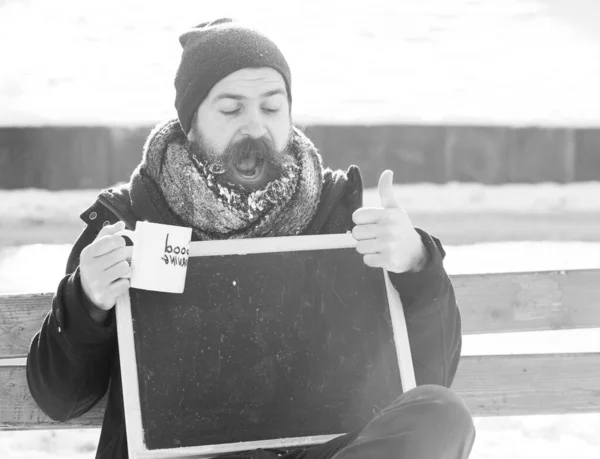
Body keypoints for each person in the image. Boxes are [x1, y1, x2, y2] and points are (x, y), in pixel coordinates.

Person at [27, 18, 475, 459]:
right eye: (231, 109)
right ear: (190, 120)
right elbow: (59, 397)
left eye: (272, 107)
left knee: (441, 415)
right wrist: (86, 302)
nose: (256, 127)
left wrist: (418, 267)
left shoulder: (342, 215)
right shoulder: (130, 222)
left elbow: (430, 374)